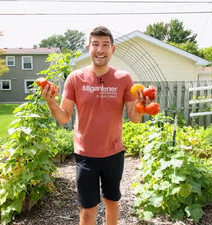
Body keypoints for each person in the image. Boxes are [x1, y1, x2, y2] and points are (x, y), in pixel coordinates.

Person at [41, 26, 146, 225]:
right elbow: (64, 118)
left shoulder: (124, 79)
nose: (100, 49)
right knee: (87, 210)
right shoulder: (75, 78)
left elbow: (134, 117)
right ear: (88, 48)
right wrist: (51, 102)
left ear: (112, 49)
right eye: (95, 44)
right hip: (85, 155)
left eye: (105, 45)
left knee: (112, 202)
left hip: (113, 153)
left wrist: (143, 104)